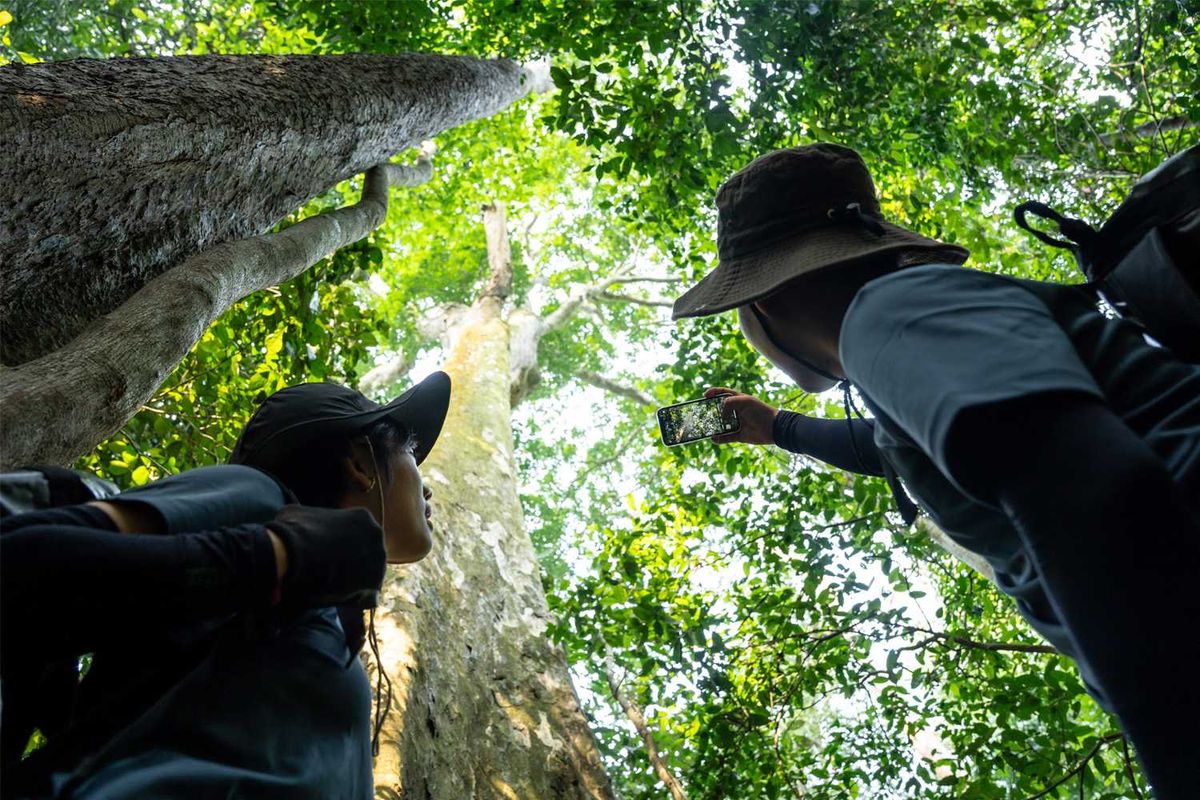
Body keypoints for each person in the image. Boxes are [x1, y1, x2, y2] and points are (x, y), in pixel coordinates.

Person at [671, 144, 1200, 796]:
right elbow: (898, 450)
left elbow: (1095, 492)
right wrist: (779, 427)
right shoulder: (912, 318)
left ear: (766, 300)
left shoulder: (888, 313)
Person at [1, 372, 451, 799]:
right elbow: (23, 563)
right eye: (411, 451)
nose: (427, 489)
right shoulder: (260, 496)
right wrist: (280, 557)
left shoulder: (327, 611)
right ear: (360, 462)